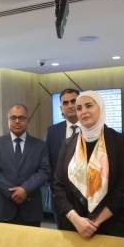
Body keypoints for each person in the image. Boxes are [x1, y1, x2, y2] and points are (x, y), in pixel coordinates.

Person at [53, 90, 124, 239]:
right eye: (79, 108)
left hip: (112, 227)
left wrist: (95, 222)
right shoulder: (68, 144)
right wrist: (75, 219)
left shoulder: (119, 141)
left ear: (101, 108)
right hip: (74, 227)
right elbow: (58, 187)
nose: (83, 111)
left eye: (89, 106)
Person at [0, 104, 50, 226]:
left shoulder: (40, 146)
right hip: (4, 208)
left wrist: (25, 189)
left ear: (27, 120)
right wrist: (12, 192)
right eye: (13, 118)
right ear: (8, 120)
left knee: (30, 239)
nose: (17, 121)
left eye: (21, 118)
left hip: (31, 208)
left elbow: (44, 171)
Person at [45, 88, 81, 225]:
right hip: (61, 201)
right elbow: (48, 164)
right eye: (65, 103)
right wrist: (56, 192)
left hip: (89, 202)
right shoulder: (52, 132)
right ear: (61, 108)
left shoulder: (92, 129)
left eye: (73, 101)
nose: (70, 105)